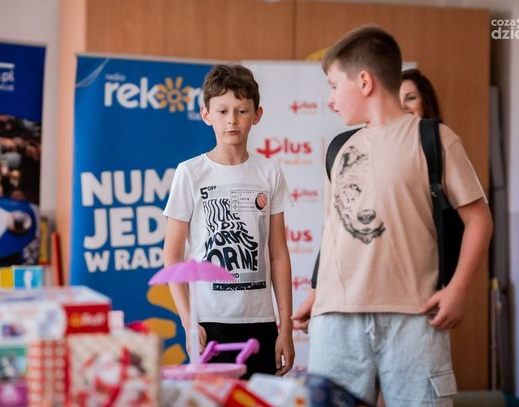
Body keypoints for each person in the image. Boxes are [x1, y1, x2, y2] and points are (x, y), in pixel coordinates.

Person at [292, 26, 492, 406]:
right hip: (336, 318)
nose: (331, 99)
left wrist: (458, 290)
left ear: (364, 81)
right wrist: (316, 293)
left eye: (334, 86)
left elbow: (479, 220)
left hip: (413, 316)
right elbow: (334, 230)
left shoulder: (435, 139)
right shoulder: (339, 148)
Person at [163, 64, 294, 378]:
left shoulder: (270, 172)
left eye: (241, 111)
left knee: (259, 398)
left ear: (257, 115)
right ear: (206, 115)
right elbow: (172, 256)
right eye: (222, 111)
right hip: (209, 323)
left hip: (261, 321)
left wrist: (286, 327)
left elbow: (278, 253)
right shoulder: (190, 173)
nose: (232, 120)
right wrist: (188, 321)